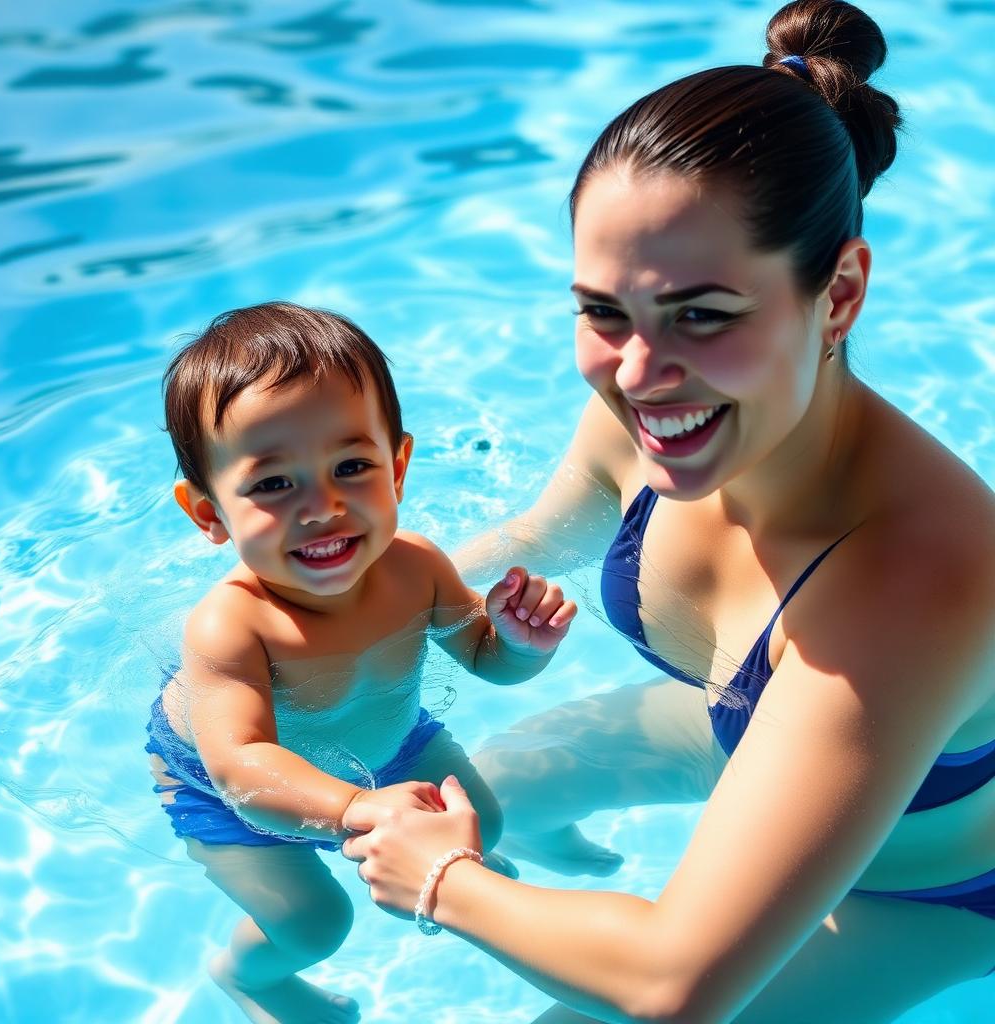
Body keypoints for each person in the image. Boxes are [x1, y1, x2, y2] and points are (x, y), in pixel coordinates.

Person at [340, 2, 995, 1021]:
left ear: (842, 294)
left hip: (932, 887)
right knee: (473, 787)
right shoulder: (663, 414)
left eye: (703, 313)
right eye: (604, 311)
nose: (640, 374)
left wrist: (445, 882)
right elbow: (538, 535)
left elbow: (673, 985)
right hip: (749, 726)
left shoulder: (916, 577)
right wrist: (350, 612)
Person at [144, 301, 577, 1024]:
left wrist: (522, 647)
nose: (323, 506)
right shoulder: (231, 624)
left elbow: (483, 658)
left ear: (398, 468)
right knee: (315, 924)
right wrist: (354, 808)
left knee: (485, 824)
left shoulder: (417, 567)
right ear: (209, 514)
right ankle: (248, 978)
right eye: (273, 484)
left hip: (391, 737)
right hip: (229, 792)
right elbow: (240, 761)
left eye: (351, 466)